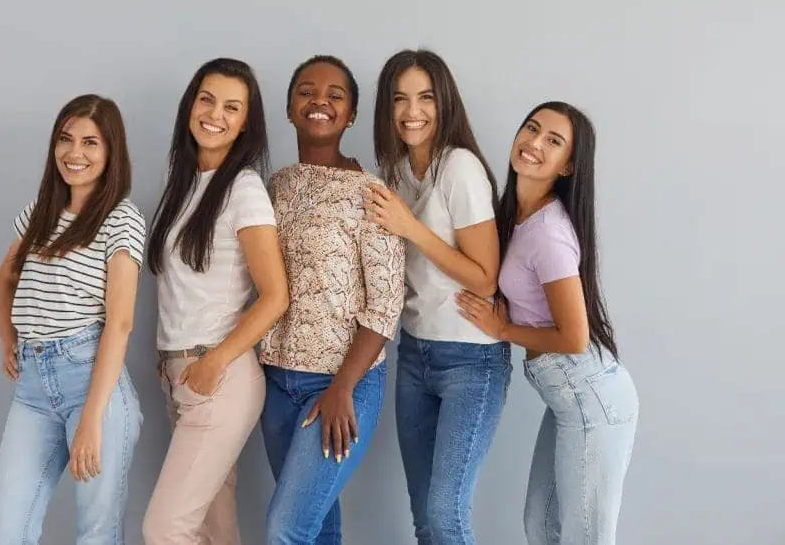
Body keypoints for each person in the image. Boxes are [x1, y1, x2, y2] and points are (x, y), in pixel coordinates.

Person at [456, 101, 639, 545]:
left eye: (552, 141)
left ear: (567, 166)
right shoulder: (517, 217)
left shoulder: (549, 233)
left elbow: (575, 338)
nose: (534, 143)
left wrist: (502, 331)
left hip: (593, 396)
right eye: (532, 129)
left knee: (585, 537)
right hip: (569, 397)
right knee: (542, 526)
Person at [363, 48, 510, 545]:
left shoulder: (460, 168)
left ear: (444, 103)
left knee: (447, 515)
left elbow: (485, 279)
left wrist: (410, 228)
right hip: (414, 354)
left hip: (470, 361)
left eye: (425, 98)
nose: (412, 112)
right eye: (400, 99)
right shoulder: (397, 169)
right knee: (425, 518)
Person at [0, 94, 145, 545]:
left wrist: (93, 418)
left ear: (111, 152)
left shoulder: (121, 219)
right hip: (34, 389)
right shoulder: (40, 212)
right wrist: (7, 339)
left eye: (91, 142)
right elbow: (3, 281)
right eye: (66, 139)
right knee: (5, 532)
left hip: (92, 383)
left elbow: (120, 323)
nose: (75, 153)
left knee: (96, 534)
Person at [142, 58, 289, 545]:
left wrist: (214, 362)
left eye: (232, 107)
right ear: (191, 104)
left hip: (218, 378)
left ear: (246, 122)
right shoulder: (183, 186)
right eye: (207, 99)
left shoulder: (244, 190)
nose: (215, 114)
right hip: (180, 377)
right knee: (214, 530)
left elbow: (275, 296)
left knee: (165, 529)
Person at [260, 54, 406, 545]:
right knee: (318, 527)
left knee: (287, 528)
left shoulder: (370, 192)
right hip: (275, 383)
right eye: (305, 90)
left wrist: (342, 388)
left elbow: (385, 303)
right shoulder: (274, 186)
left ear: (350, 115)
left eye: (334, 95)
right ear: (288, 108)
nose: (318, 100)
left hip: (343, 382)